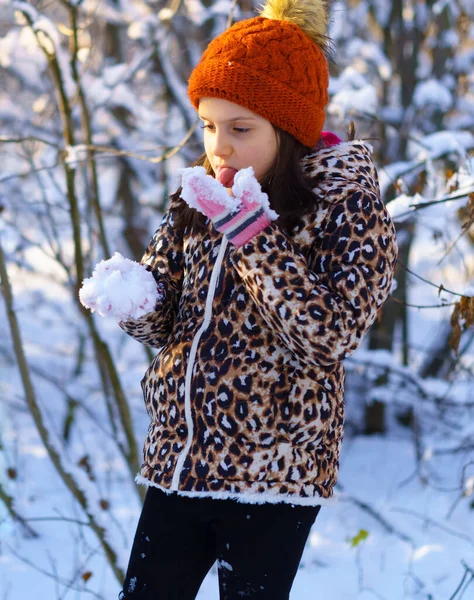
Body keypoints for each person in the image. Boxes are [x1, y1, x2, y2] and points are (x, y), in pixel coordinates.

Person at [82, 0, 399, 597]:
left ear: (290, 128)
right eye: (208, 125)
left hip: (273, 472)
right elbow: (170, 317)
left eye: (240, 129)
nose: (218, 147)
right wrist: (136, 302)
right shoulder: (198, 195)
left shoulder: (346, 206)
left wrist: (253, 233)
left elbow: (329, 334)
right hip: (181, 459)